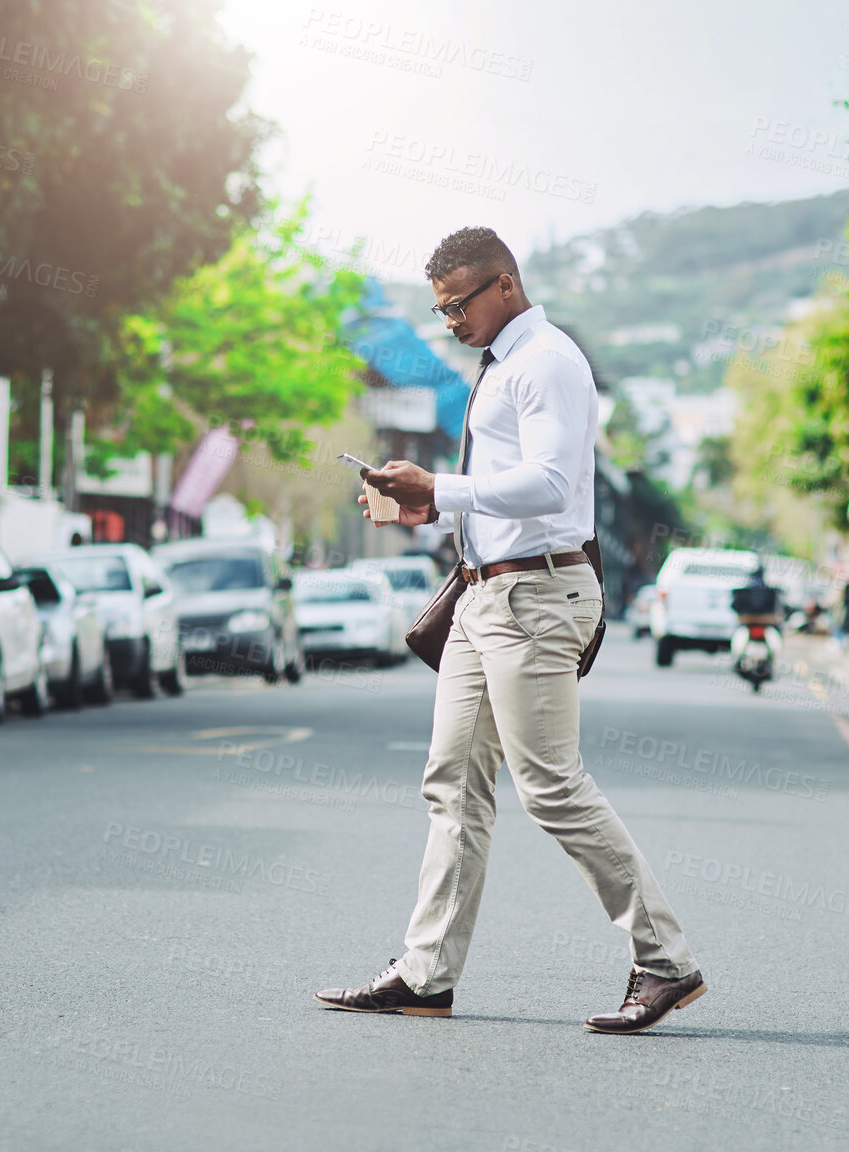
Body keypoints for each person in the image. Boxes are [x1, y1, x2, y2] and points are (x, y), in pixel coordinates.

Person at [318, 226, 703, 1033]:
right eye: (439, 310)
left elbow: (553, 484)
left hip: (536, 596)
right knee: (452, 783)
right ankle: (426, 974)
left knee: (551, 787)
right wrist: (424, 503)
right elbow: (493, 488)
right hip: (482, 595)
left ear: (505, 286)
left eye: (458, 305)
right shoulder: (498, 369)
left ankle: (664, 962)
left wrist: (444, 488)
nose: (450, 321)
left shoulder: (547, 362)